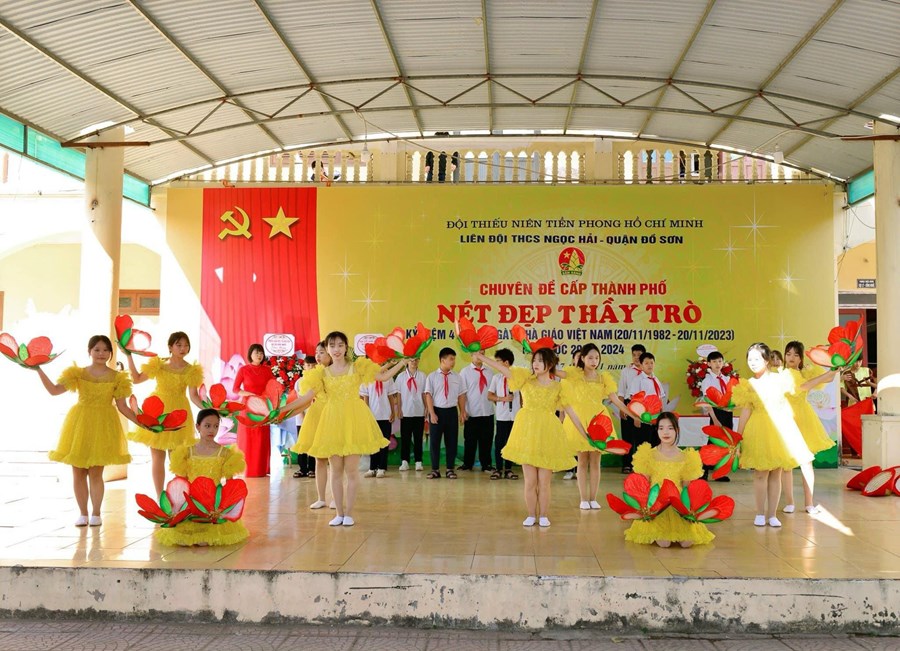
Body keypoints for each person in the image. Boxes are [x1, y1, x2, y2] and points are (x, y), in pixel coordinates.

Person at [280, 331, 407, 526]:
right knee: (336, 471)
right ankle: (338, 513)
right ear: (327, 348)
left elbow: (382, 376)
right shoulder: (321, 373)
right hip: (331, 422)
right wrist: (281, 411)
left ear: (346, 347)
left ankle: (348, 513)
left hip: (353, 421)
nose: (336, 349)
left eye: (340, 345)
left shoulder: (357, 367)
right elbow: (305, 399)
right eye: (332, 345)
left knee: (352, 472)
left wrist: (403, 362)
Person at [473, 348, 588, 528]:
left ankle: (543, 516)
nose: (536, 364)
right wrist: (481, 357)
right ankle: (530, 515)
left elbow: (571, 413)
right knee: (530, 482)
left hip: (547, 435)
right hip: (527, 434)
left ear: (550, 364)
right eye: (534, 360)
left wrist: (584, 434)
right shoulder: (525, 379)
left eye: (541, 360)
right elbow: (504, 369)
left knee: (544, 482)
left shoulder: (558, 387)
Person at [36, 335, 139, 526]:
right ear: (89, 351)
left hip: (103, 426)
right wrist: (38, 369)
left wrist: (141, 423)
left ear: (110, 353)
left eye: (105, 350)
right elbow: (54, 390)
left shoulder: (118, 377)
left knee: (96, 473)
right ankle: (82, 513)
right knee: (78, 472)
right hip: (80, 424)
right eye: (97, 349)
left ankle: (96, 514)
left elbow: (123, 407)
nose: (101, 353)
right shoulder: (78, 373)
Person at [733, 343, 823, 528]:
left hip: (779, 429)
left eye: (757, 359)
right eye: (750, 359)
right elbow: (746, 411)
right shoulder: (749, 384)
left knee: (776, 473)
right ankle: (760, 513)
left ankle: (772, 514)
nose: (752, 363)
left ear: (767, 360)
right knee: (760, 474)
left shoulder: (781, 379)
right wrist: (737, 437)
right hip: (758, 430)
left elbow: (801, 390)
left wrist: (830, 374)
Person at [560, 343, 638, 509]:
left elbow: (616, 401)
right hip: (580, 419)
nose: (594, 361)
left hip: (599, 420)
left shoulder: (603, 378)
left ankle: (593, 498)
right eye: (590, 358)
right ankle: (583, 499)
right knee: (582, 461)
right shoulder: (574, 375)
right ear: (582, 358)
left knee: (596, 461)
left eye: (596, 358)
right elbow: (556, 373)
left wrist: (633, 414)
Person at [156, 409, 248, 547]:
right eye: (207, 426)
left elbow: (230, 486)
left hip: (212, 505)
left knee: (206, 539)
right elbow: (180, 483)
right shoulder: (187, 452)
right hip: (192, 502)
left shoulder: (225, 453)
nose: (212, 430)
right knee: (182, 538)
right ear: (198, 426)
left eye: (216, 426)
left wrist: (224, 507)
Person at [127, 332, 204, 496]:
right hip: (157, 411)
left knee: (179, 459)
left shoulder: (191, 370)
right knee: (157, 457)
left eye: (186, 345)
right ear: (170, 347)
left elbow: (194, 396)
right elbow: (137, 379)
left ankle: (181, 497)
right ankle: (159, 496)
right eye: (179, 345)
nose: (183, 348)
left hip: (178, 415)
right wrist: (129, 356)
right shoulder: (159, 364)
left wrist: (209, 409)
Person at [624, 412, 714, 547]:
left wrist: (689, 509)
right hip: (656, 504)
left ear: (677, 430)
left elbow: (687, 488)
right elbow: (644, 486)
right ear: (657, 430)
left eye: (670, 428)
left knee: (687, 543)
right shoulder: (648, 454)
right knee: (664, 543)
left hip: (677, 504)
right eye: (661, 428)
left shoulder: (687, 457)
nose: (665, 432)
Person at [782, 341, 838, 514]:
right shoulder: (782, 374)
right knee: (786, 464)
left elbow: (829, 378)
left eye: (795, 354)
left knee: (806, 462)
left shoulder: (806, 373)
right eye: (788, 354)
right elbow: (802, 387)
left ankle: (809, 503)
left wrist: (836, 368)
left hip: (804, 419)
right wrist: (828, 373)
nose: (791, 357)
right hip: (786, 418)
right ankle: (790, 502)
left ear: (801, 358)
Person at [290, 342, 333, 508]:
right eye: (317, 352)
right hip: (317, 416)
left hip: (334, 417)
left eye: (322, 352)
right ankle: (321, 498)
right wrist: (282, 413)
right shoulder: (315, 375)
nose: (318, 356)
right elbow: (305, 399)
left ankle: (335, 498)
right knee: (319, 459)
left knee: (335, 461)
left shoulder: (338, 372)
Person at [232, 343, 275, 478]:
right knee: (248, 438)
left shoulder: (267, 370)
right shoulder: (244, 370)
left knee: (261, 437)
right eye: (256, 352)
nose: (259, 355)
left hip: (263, 407)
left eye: (261, 353)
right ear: (250, 354)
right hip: (248, 407)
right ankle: (246, 469)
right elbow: (235, 389)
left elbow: (273, 387)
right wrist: (250, 394)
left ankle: (260, 469)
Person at [423, 347, 467, 479]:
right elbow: (428, 395)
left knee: (451, 442)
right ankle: (435, 470)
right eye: (451, 359)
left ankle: (450, 469)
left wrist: (462, 412)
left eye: (454, 359)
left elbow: (461, 395)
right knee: (434, 442)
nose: (453, 362)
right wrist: (432, 413)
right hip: (437, 411)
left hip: (452, 412)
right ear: (443, 360)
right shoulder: (432, 376)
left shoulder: (457, 377)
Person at [699, 350, 735, 482]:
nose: (717, 364)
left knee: (725, 444)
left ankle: (719, 473)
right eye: (714, 361)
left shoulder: (726, 379)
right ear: (708, 364)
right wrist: (714, 419)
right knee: (712, 443)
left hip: (727, 413)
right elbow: (707, 402)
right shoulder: (707, 380)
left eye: (720, 361)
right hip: (716, 413)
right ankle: (702, 471)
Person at [487, 349, 521, 480]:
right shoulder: (496, 378)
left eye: (498, 361)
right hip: (502, 416)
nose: (496, 364)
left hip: (515, 416)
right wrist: (502, 399)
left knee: (511, 443)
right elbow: (489, 396)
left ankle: (508, 469)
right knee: (500, 442)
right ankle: (498, 469)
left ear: (506, 362)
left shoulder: (517, 377)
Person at [459, 354, 496, 472]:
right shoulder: (464, 372)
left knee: (487, 440)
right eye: (478, 353)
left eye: (482, 353)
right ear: (471, 355)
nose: (480, 356)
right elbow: (462, 393)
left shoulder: (490, 372)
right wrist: (462, 410)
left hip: (487, 411)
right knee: (470, 440)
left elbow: (493, 392)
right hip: (471, 413)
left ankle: (486, 464)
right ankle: (467, 464)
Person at [360, 375, 399, 478]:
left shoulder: (388, 377)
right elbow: (366, 397)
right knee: (373, 443)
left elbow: (390, 396)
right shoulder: (367, 377)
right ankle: (372, 468)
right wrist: (367, 414)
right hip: (373, 416)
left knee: (384, 442)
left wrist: (392, 412)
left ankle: (382, 468)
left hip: (385, 415)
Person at [618, 343, 646, 473]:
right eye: (634, 355)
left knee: (642, 436)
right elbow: (621, 391)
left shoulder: (648, 371)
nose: (636, 357)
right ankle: (627, 464)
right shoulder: (626, 371)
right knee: (627, 436)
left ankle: (640, 464)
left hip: (644, 406)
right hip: (628, 404)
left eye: (639, 355)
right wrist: (621, 408)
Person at [396, 357, 426, 471]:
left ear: (419, 360)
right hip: (406, 412)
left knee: (418, 438)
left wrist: (426, 408)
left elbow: (424, 393)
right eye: (411, 360)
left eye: (416, 360)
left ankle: (418, 461)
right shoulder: (401, 377)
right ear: (407, 361)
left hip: (419, 411)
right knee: (405, 438)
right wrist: (399, 409)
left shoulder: (423, 376)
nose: (414, 362)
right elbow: (398, 394)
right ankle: (405, 461)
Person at [292, 355, 317, 478]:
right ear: (304, 367)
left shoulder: (318, 380)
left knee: (313, 442)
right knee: (302, 442)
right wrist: (301, 413)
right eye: (308, 365)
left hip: (314, 416)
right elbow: (298, 399)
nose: (311, 367)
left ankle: (312, 468)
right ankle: (302, 468)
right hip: (301, 417)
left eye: (313, 365)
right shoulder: (299, 382)